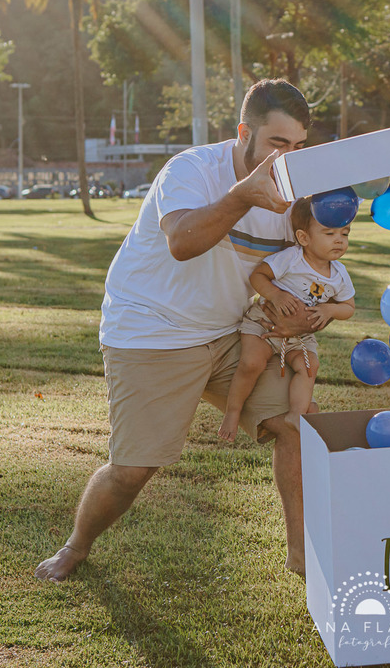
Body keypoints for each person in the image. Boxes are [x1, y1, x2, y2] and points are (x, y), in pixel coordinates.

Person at [35, 79, 320, 582]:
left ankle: (302, 559)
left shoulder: (294, 193)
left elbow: (294, 265)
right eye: (277, 144)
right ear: (244, 134)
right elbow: (184, 242)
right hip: (152, 330)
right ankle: (76, 548)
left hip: (227, 331)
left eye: (298, 146)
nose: (287, 158)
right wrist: (241, 198)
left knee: (294, 426)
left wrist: (297, 311)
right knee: (133, 471)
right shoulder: (191, 170)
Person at [218, 197, 355, 442]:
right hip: (263, 323)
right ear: (304, 238)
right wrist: (276, 294)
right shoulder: (291, 258)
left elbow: (349, 307)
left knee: (310, 366)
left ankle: (295, 414)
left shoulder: (339, 274)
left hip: (299, 337)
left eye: (344, 234)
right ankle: (233, 411)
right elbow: (259, 276)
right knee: (251, 363)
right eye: (329, 233)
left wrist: (330, 311)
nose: (339, 240)